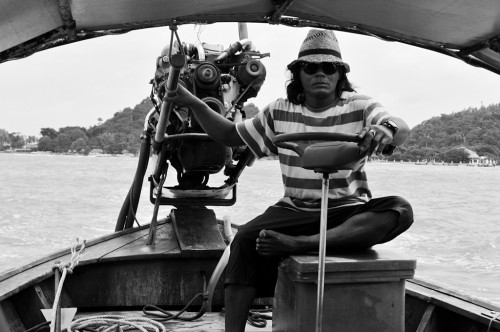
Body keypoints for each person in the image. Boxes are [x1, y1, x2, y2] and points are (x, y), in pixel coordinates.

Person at [168, 29, 414, 332]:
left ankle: (299, 244)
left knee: (400, 210)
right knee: (244, 242)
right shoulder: (279, 112)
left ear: (340, 75)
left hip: (346, 210)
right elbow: (230, 135)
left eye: (329, 68)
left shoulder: (360, 106)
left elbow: (399, 126)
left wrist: (385, 129)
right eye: (311, 67)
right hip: (295, 209)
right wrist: (194, 102)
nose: (320, 73)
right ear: (298, 74)